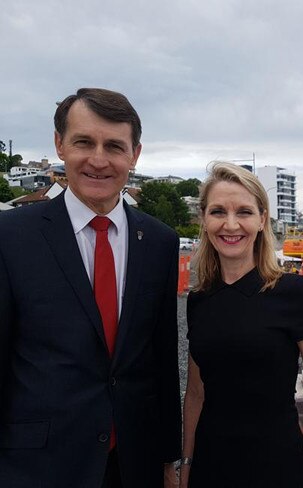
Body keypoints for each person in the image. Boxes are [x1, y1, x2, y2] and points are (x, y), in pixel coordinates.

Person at [0, 88, 182, 487]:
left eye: (114, 146)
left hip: (134, 465)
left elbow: (162, 359)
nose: (98, 160)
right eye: (84, 142)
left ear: (134, 155)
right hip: (35, 468)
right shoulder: (10, 238)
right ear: (59, 144)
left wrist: (168, 458)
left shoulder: (160, 242)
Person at [180, 163, 303, 488]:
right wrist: (186, 466)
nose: (231, 224)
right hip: (210, 468)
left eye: (244, 212)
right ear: (204, 219)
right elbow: (196, 393)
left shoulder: (294, 293)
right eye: (218, 212)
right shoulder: (199, 300)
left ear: (261, 220)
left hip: (278, 467)